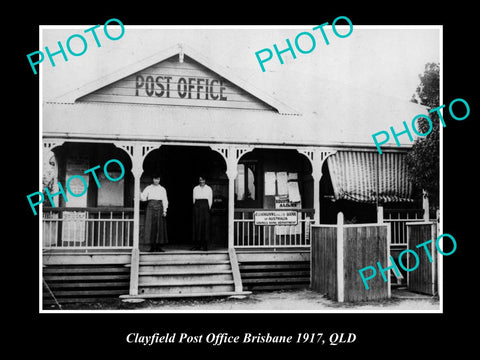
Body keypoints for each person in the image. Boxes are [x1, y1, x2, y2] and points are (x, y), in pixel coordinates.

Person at [141, 174, 168, 252]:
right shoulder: (148, 188)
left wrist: (165, 210)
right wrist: (139, 193)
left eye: (158, 179)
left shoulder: (162, 189)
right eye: (155, 179)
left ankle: (158, 246)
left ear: (160, 179)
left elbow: (165, 200)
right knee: (151, 227)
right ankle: (152, 246)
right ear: (153, 179)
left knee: (159, 227)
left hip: (159, 207)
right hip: (150, 207)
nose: (156, 180)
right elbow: (143, 198)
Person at [191, 175, 212, 251]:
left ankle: (205, 245)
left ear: (205, 180)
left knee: (205, 226)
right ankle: (197, 245)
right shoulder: (195, 188)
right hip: (197, 207)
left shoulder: (208, 188)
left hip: (205, 207)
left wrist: (206, 208)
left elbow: (210, 200)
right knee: (197, 225)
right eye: (200, 180)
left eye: (203, 180)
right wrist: (197, 207)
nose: (202, 181)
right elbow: (194, 200)